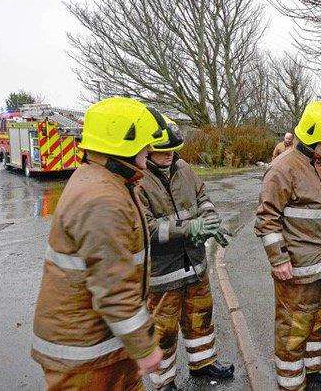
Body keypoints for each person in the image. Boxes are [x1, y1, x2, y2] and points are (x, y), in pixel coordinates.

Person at [31, 97, 167, 390]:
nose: (151, 149)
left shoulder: (104, 181)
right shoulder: (104, 200)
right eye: (146, 143)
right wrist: (145, 347)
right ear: (124, 144)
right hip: (86, 358)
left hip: (101, 347)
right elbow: (114, 288)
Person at [255, 101, 321, 390]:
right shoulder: (282, 169)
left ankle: (312, 368)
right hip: (296, 265)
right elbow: (266, 219)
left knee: (319, 319)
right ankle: (290, 382)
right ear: (309, 138)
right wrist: (279, 260)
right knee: (293, 329)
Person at [137, 118, 234, 391]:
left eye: (172, 150)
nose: (168, 155)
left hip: (194, 264)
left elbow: (203, 198)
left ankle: (203, 363)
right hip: (163, 272)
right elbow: (148, 229)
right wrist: (190, 228)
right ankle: (164, 381)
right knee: (163, 330)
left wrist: (210, 220)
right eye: (161, 150)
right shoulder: (140, 180)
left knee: (200, 317)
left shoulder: (185, 169)